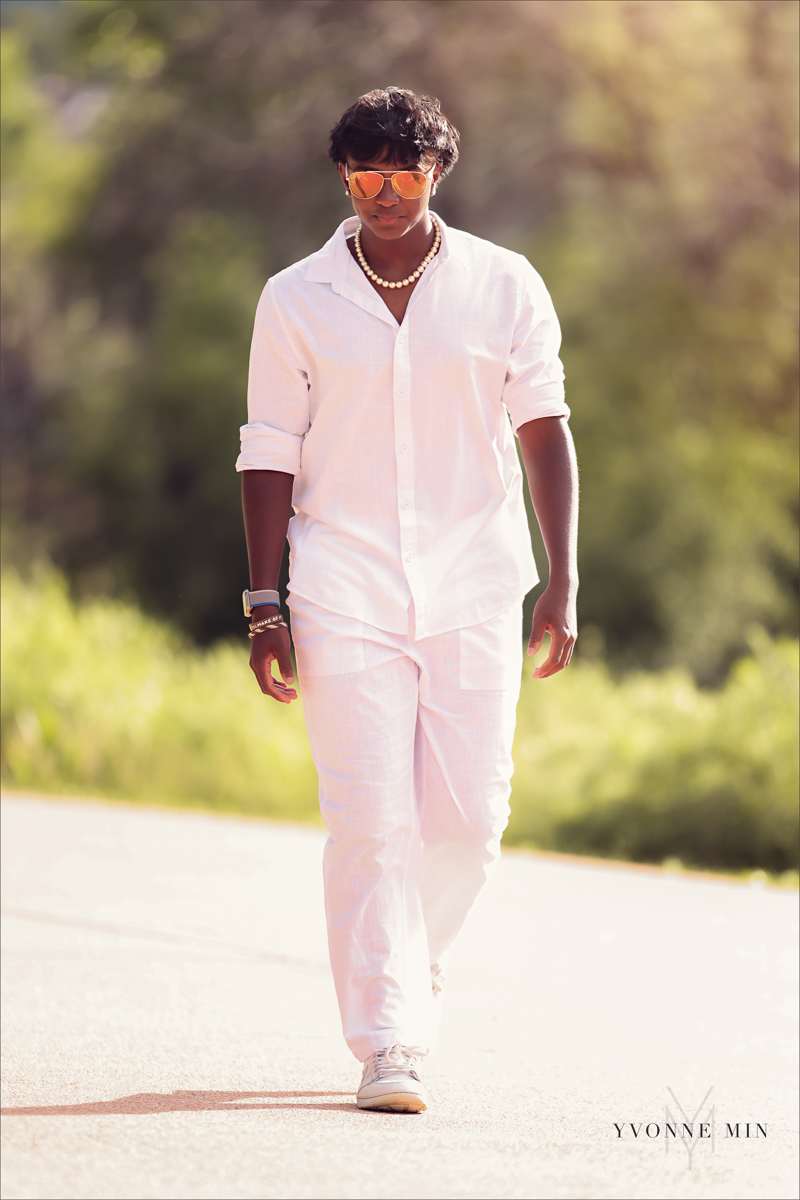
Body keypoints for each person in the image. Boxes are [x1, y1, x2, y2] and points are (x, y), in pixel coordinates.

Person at [237, 87, 578, 1114]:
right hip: (340, 579)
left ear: (437, 174)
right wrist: (265, 600)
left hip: (476, 573)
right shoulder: (294, 298)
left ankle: (407, 967)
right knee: (369, 818)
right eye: (365, 174)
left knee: (471, 822)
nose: (384, 194)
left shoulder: (502, 286)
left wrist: (561, 575)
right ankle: (389, 1037)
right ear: (344, 178)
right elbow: (267, 451)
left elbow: (544, 427)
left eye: (405, 173)